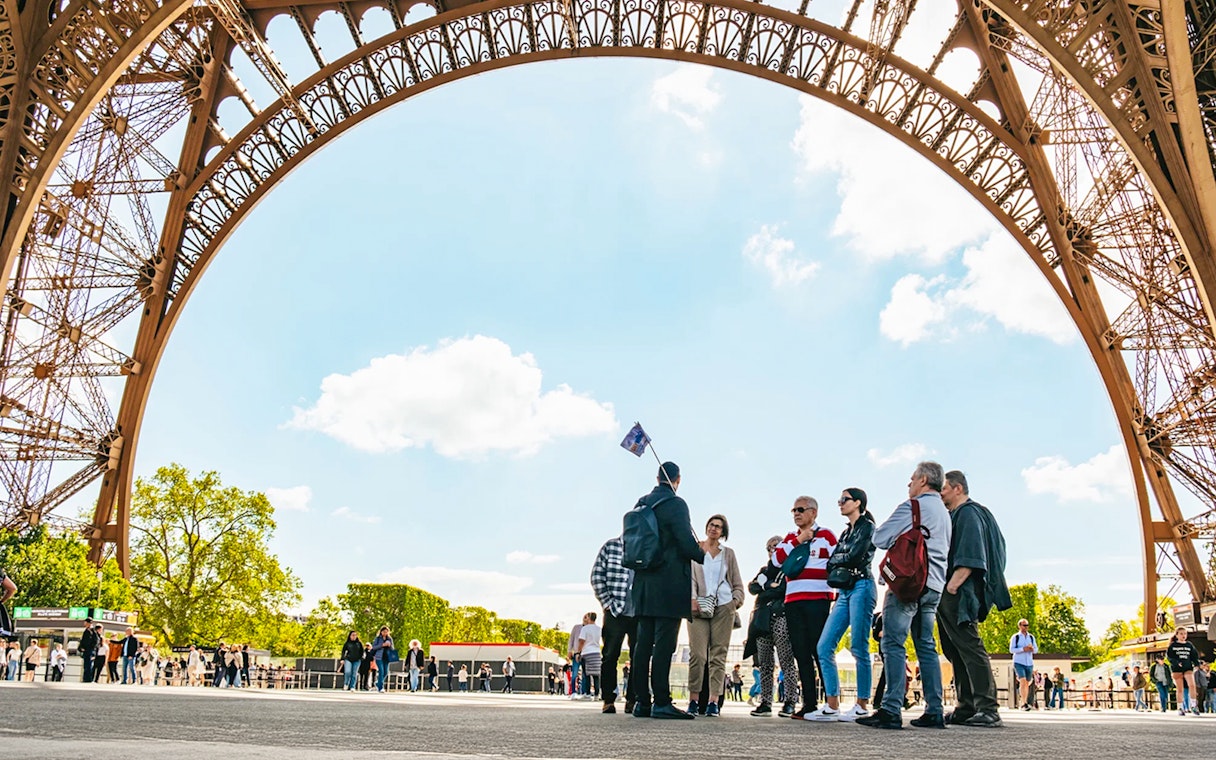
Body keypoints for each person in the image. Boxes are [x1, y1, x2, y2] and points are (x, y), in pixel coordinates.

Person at [858, 461, 952, 730]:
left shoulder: (912, 507)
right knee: (926, 646)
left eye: (911, 479)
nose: (909, 484)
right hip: (934, 584)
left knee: (893, 643)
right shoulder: (945, 514)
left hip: (908, 583)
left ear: (923, 479)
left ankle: (890, 708)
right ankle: (934, 710)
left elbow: (880, 538)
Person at [627, 462, 704, 720]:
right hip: (669, 584)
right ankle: (661, 701)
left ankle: (641, 702)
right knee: (663, 645)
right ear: (677, 479)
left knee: (642, 644)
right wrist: (700, 552)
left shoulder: (642, 502)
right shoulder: (676, 504)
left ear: (658, 477)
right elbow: (684, 541)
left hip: (643, 582)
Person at [935, 470, 1010, 728]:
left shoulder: (967, 514)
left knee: (969, 647)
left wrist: (952, 586)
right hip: (958, 589)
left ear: (957, 488)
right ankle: (966, 706)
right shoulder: (969, 513)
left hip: (959, 591)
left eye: (943, 488)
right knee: (956, 650)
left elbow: (971, 555)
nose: (940, 492)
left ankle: (987, 708)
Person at [808, 488, 877, 722]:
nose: (840, 503)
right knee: (824, 646)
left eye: (844, 500)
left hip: (862, 586)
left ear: (858, 502)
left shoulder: (867, 527)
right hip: (844, 590)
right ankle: (832, 704)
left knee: (859, 646)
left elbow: (856, 556)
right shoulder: (846, 532)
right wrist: (841, 557)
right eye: (839, 500)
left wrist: (841, 558)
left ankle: (862, 704)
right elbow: (832, 562)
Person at [771, 495, 837, 719]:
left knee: (820, 650)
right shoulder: (790, 538)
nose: (796, 513)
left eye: (801, 509)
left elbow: (836, 561)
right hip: (794, 602)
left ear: (813, 512)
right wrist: (799, 540)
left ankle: (831, 702)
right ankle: (809, 702)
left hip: (818, 600)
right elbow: (776, 561)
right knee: (800, 651)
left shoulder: (826, 536)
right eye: (794, 510)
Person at [687, 513, 744, 718]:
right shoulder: (696, 550)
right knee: (698, 655)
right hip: (698, 606)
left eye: (719, 526)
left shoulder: (728, 553)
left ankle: (713, 701)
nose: (714, 528)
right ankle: (693, 700)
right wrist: (692, 599)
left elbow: (737, 582)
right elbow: (689, 578)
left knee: (718, 656)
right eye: (711, 525)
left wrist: (735, 601)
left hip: (723, 607)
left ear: (723, 532)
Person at [590, 531, 639, 713]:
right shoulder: (610, 546)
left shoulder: (646, 547)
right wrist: (607, 603)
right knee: (610, 655)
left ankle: (633, 699)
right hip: (615, 611)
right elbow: (596, 576)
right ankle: (608, 699)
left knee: (639, 657)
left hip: (639, 612)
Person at [1167, 626, 1201, 714]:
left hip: (1188, 667)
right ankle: (1180, 707)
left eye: (1185, 634)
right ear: (1177, 635)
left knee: (1192, 685)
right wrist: (1176, 662)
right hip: (1177, 669)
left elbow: (1194, 655)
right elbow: (1170, 657)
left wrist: (1197, 664)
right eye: (1181, 634)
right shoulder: (1173, 646)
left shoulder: (1189, 645)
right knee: (1180, 689)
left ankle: (1193, 705)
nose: (1183, 636)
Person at [1010, 619, 1038, 710]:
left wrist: (1032, 649)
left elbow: (1036, 649)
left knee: (1027, 682)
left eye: (1027, 625)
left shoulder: (1031, 637)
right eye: (1024, 625)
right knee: (1022, 681)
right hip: (1019, 662)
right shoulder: (1016, 637)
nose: (1026, 627)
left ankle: (1025, 701)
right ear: (1020, 626)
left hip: (1029, 662)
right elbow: (1012, 650)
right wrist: (1023, 649)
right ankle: (1023, 703)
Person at [576, 612, 602, 699]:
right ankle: (596, 694)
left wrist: (578, 652)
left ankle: (587, 693)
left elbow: (581, 641)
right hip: (596, 652)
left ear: (589, 618)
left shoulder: (585, 629)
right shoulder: (599, 629)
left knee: (586, 674)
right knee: (596, 675)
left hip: (586, 652)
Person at [371, 626, 394, 693]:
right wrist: (382, 645)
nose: (385, 633)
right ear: (381, 632)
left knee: (386, 672)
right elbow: (374, 647)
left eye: (387, 632)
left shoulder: (389, 639)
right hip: (379, 657)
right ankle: (381, 687)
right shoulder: (378, 638)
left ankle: (378, 683)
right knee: (381, 671)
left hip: (386, 657)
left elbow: (392, 648)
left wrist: (389, 645)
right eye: (384, 631)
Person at [566, 619, 584, 699]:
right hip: (577, 652)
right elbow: (571, 639)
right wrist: (569, 650)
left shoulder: (588, 628)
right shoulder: (577, 627)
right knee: (574, 674)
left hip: (585, 653)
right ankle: (573, 691)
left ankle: (584, 692)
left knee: (585, 675)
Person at [77, 617, 98, 683]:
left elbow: (96, 641)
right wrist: (81, 647)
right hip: (86, 650)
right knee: (86, 665)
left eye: (85, 622)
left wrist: (91, 648)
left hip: (90, 650)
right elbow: (83, 641)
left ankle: (88, 679)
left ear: (89, 623)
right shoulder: (86, 630)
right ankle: (85, 678)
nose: (84, 623)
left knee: (89, 665)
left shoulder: (93, 631)